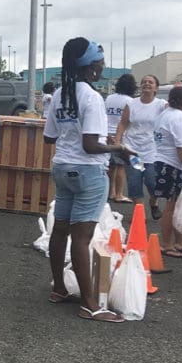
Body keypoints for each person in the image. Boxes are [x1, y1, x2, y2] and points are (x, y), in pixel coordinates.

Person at [43, 37, 130, 323]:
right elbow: (92, 145)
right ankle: (91, 305)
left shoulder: (59, 93)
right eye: (101, 62)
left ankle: (59, 289)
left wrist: (77, 132)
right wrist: (118, 147)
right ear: (91, 65)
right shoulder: (92, 97)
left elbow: (49, 136)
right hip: (88, 171)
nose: (103, 66)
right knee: (82, 239)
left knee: (60, 231)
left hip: (62, 166)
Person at [154, 85, 182, 257]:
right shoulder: (179, 117)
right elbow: (181, 147)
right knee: (171, 205)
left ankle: (180, 241)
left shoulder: (164, 114)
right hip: (172, 165)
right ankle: (166, 244)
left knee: (177, 204)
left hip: (163, 162)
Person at [116, 75, 167, 219]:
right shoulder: (131, 104)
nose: (147, 84)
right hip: (133, 151)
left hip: (152, 151)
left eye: (150, 82)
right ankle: (140, 214)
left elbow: (174, 115)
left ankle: (153, 203)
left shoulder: (161, 105)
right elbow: (123, 123)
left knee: (152, 182)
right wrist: (118, 141)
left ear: (156, 88)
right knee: (135, 182)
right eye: (144, 81)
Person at [105, 74, 137, 202]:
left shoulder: (109, 98)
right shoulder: (130, 101)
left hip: (107, 135)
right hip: (121, 135)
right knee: (121, 166)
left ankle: (110, 192)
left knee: (111, 166)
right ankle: (119, 194)